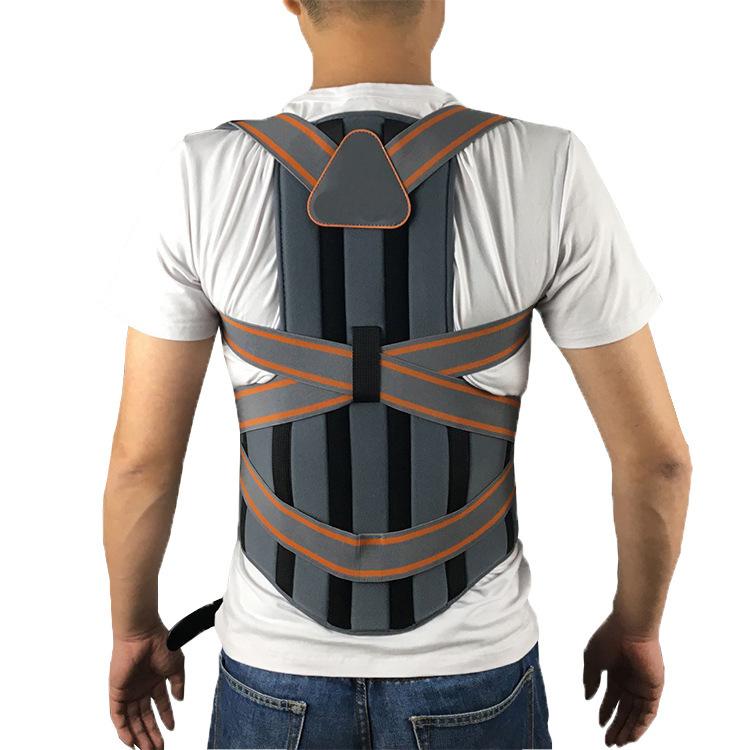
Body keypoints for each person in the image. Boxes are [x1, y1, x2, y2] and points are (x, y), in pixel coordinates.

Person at [103, 1, 691, 748]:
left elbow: (141, 463)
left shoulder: (203, 172)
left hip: (273, 672)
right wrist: (637, 629)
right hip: (476, 668)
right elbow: (657, 461)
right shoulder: (546, 167)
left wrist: (132, 630)